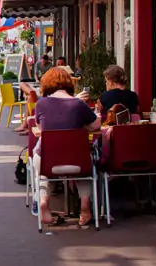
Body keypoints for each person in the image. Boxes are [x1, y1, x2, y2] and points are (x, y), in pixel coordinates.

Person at [33, 67, 101, 227]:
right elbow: (96, 124)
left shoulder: (41, 104)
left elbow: (39, 127)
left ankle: (44, 201)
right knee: (85, 169)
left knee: (43, 171)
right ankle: (85, 208)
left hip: (48, 160)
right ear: (68, 84)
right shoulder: (78, 104)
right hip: (76, 160)